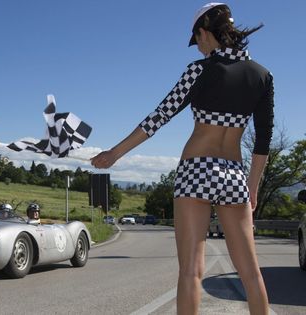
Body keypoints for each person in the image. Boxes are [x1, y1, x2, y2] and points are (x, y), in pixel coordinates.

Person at [91, 3, 272, 314]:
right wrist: (251, 188)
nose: (199, 47)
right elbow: (263, 142)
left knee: (191, 271)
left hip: (196, 170)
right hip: (235, 174)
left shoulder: (198, 71)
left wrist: (115, 153)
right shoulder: (262, 76)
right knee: (252, 274)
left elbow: (159, 117)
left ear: (204, 32)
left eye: (198, 39)